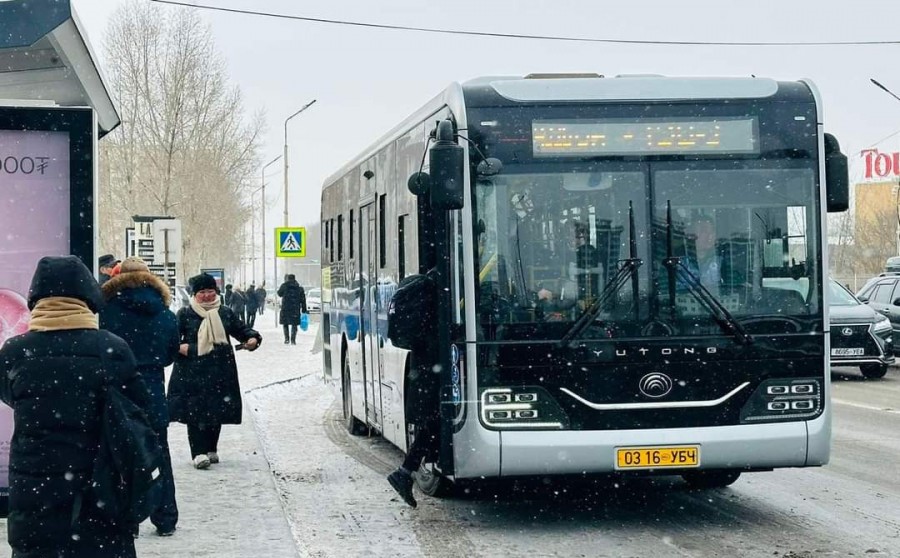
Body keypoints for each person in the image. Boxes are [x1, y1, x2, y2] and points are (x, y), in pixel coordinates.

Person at [0, 255, 149, 558]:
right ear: (88, 297)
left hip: (34, 483)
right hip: (100, 481)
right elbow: (139, 406)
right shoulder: (111, 347)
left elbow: (9, 395)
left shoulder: (15, 351)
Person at [99, 256, 180, 537]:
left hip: (116, 390)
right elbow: (170, 355)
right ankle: (165, 517)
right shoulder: (165, 313)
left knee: (118, 456)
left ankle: (128, 520)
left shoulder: (105, 310)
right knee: (159, 453)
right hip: (152, 389)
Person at [167, 273, 262, 469]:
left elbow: (241, 330)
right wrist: (185, 348)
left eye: (210, 291)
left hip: (220, 369)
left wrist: (252, 338)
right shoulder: (185, 313)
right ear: (195, 294)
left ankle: (211, 448)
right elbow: (171, 340)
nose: (206, 295)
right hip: (191, 371)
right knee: (195, 412)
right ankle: (198, 453)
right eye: (202, 292)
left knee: (215, 409)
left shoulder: (225, 312)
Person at [386, 271, 439, 509]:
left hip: (425, 366)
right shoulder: (437, 286)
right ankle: (405, 472)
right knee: (434, 422)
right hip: (432, 366)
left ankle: (406, 473)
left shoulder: (428, 284)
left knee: (432, 423)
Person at [683, 216, 722, 292]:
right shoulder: (678, 262)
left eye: (712, 231)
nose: (709, 236)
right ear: (691, 235)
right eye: (703, 231)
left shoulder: (722, 260)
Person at [277, 274, 306, 345]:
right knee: (294, 324)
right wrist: (304, 309)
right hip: (295, 309)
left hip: (285, 308)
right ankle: (293, 340)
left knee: (285, 323)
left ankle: (286, 339)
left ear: (288, 278)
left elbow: (279, 293)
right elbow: (303, 300)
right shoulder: (299, 288)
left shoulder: (284, 286)